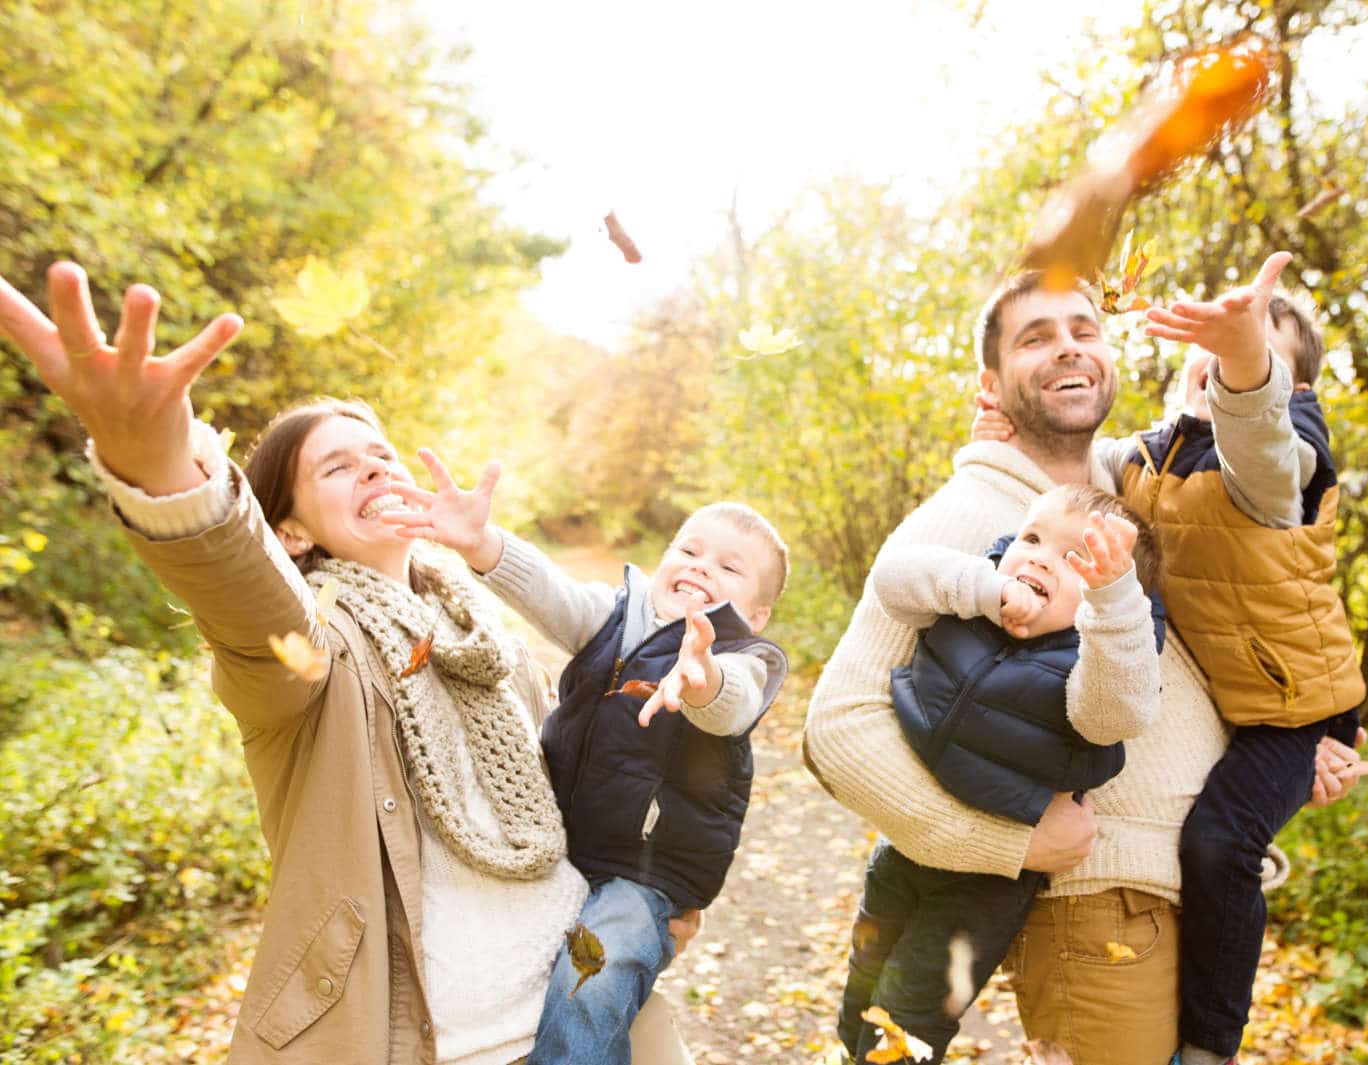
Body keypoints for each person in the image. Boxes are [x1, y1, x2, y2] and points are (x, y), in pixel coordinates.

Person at [0, 262, 698, 1065]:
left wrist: (654, 903)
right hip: (447, 1045)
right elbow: (245, 592)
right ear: (292, 531)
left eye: (381, 453)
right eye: (337, 466)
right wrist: (156, 462)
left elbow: (575, 809)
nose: (374, 466)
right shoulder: (311, 650)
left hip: (592, 1014)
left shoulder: (490, 640)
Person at [805, 253, 1368, 1065]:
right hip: (1099, 903)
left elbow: (1229, 589)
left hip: (1192, 885)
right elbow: (836, 728)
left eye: (1085, 329)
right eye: (1036, 339)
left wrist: (1285, 754)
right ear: (992, 385)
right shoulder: (969, 514)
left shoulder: (1136, 484)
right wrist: (1008, 843)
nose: (1070, 347)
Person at [981, 262, 1368, 1065]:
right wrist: (1004, 428)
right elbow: (1073, 471)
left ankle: (1212, 1044)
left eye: (1260, 355)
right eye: (1214, 348)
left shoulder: (1284, 465)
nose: (1227, 363)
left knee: (1219, 844)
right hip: (1246, 699)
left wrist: (1246, 367)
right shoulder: (1148, 457)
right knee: (1216, 844)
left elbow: (1257, 439)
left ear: (1293, 392)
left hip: (1294, 713)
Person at [381, 480, 789, 1065]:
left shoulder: (743, 658)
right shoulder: (615, 619)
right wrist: (481, 544)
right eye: (690, 549)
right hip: (562, 850)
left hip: (644, 878)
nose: (701, 568)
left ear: (756, 613)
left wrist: (702, 681)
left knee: (589, 975)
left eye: (729, 567)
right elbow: (551, 592)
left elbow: (736, 703)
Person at [836, 486, 1164, 1062]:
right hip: (906, 845)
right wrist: (988, 590)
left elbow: (1117, 714)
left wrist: (1112, 607)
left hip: (985, 883)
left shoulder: (1095, 664)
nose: (1038, 556)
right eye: (1033, 537)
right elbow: (893, 579)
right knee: (859, 993)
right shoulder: (973, 598)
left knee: (908, 1017)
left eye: (1073, 557)